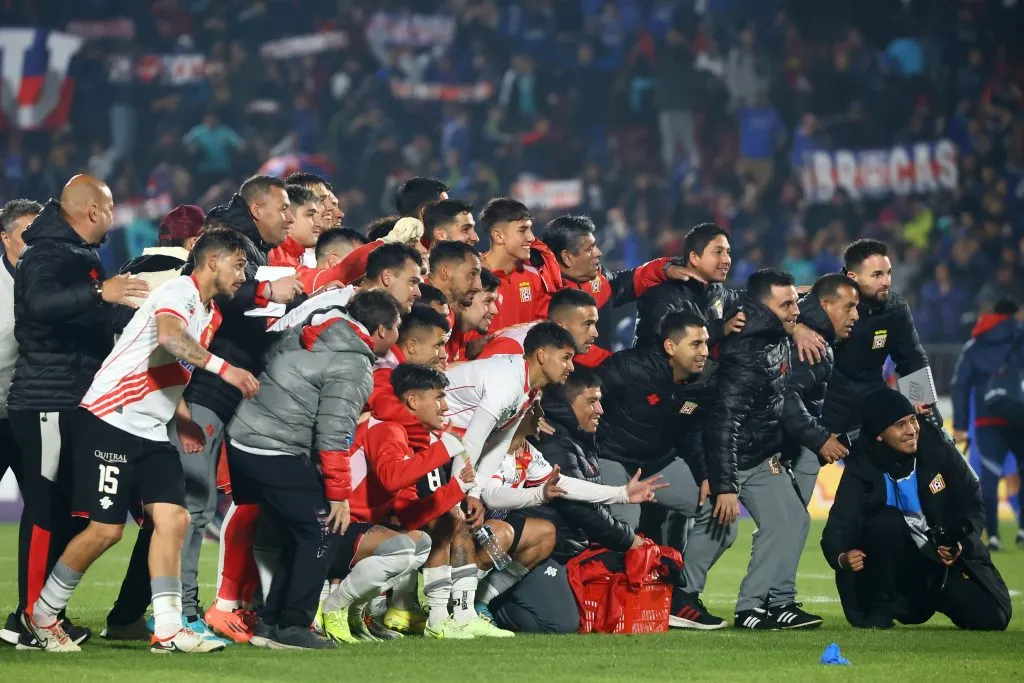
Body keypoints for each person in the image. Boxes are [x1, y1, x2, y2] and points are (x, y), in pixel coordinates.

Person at [22, 229, 260, 653]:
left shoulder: (209, 312)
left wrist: (181, 417)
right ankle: (40, 616)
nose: (244, 274)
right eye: (239, 264)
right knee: (105, 532)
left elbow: (165, 365)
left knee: (174, 519)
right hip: (110, 420)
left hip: (150, 429)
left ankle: (168, 629)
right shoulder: (180, 290)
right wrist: (226, 370)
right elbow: (169, 338)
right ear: (211, 262)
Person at [8, 176, 149, 648]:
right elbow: (41, 305)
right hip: (46, 400)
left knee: (68, 512)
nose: (113, 217)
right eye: (110, 208)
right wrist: (100, 294)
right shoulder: (47, 252)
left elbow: (89, 320)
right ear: (93, 212)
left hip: (72, 399)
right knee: (46, 511)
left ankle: (41, 613)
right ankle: (32, 618)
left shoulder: (75, 255)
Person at [225, 289, 402, 650]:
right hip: (272, 447)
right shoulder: (353, 363)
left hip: (248, 437)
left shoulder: (315, 329)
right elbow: (334, 433)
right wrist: (339, 495)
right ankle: (292, 626)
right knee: (323, 529)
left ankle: (271, 624)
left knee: (300, 532)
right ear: (382, 330)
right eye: (398, 327)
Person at [174, 175, 304, 640]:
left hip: (220, 394)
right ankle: (179, 614)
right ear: (257, 209)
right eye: (284, 208)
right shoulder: (232, 245)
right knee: (191, 506)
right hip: (203, 393)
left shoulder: (250, 248)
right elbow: (213, 293)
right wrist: (270, 294)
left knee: (195, 506)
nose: (288, 217)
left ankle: (165, 611)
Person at [821, 390, 1012, 631]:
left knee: (994, 618)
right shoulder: (862, 465)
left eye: (912, 420)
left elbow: (973, 503)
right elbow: (838, 526)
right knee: (885, 522)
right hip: (895, 567)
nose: (912, 430)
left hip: (943, 561)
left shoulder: (938, 448)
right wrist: (842, 558)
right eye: (900, 425)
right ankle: (881, 607)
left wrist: (962, 543)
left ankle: (940, 594)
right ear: (879, 435)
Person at [595, 310, 729, 629]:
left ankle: (682, 598)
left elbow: (693, 432)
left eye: (706, 343)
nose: (704, 351)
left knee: (720, 513)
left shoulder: (706, 380)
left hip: (659, 463)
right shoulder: (629, 367)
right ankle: (611, 602)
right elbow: (582, 398)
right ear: (670, 346)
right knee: (625, 523)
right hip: (613, 458)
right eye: (695, 344)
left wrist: (706, 475)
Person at [346, 364, 477, 641]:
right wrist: (443, 449)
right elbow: (392, 479)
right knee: (403, 547)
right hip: (329, 526)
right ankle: (336, 609)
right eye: (439, 397)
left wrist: (457, 488)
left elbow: (409, 516)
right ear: (413, 400)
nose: (445, 406)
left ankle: (356, 614)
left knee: (419, 540)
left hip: (350, 526)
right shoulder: (387, 429)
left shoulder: (404, 437)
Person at [704, 268, 801, 630]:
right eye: (787, 304)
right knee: (713, 534)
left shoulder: (775, 331)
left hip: (759, 454)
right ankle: (682, 599)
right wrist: (726, 486)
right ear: (762, 309)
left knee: (787, 521)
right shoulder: (748, 348)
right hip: (730, 457)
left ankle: (754, 607)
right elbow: (724, 421)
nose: (796, 310)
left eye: (796, 301)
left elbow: (817, 302)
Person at [767, 273, 861, 628]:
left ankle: (774, 599)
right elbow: (785, 397)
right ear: (826, 304)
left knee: (790, 521)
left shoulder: (814, 336)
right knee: (789, 521)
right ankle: (775, 601)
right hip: (772, 445)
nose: (855, 315)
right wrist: (819, 438)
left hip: (791, 443)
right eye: (849, 307)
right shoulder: (812, 345)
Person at [822, 239, 932, 438]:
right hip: (823, 408)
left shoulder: (895, 309)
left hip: (871, 402)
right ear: (852, 277)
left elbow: (912, 358)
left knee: (932, 434)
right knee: (800, 468)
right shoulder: (824, 301)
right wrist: (799, 329)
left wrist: (921, 399)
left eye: (888, 273)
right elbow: (782, 314)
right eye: (877, 275)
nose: (887, 281)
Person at [540, 215, 690, 357]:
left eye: (595, 246)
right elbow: (572, 352)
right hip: (573, 381)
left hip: (606, 375)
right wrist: (619, 366)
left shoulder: (596, 278)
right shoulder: (543, 294)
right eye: (589, 249)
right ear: (566, 257)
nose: (598, 253)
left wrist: (662, 269)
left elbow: (624, 283)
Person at [950, 297, 1024, 550]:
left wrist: (960, 424)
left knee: (989, 477)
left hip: (986, 418)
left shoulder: (975, 344)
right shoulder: (1020, 336)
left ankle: (992, 534)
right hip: (1020, 415)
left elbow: (960, 385)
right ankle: (1023, 529)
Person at [0, 199, 40, 645]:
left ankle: (30, 615)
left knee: (51, 514)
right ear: (5, 237)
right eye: (26, 233)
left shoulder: (45, 276)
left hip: (30, 415)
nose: (33, 243)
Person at [269, 242, 423, 331]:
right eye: (412, 282)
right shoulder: (336, 309)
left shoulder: (357, 307)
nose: (418, 293)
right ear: (387, 277)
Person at [633, 223, 741, 349]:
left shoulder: (715, 290)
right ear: (694, 258)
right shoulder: (663, 295)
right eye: (718, 252)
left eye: (728, 252)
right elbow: (674, 347)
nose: (726, 260)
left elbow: (747, 297)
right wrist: (722, 330)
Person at [476, 288, 600, 366]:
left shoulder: (560, 351)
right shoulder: (515, 346)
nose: (595, 333)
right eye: (588, 324)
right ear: (560, 326)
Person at [479, 198, 550, 332]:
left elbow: (542, 329)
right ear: (498, 236)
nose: (531, 238)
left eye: (530, 229)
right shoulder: (473, 278)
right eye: (522, 230)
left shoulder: (534, 276)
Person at [118, 205, 205, 297]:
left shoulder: (130, 276)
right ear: (194, 242)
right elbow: (153, 234)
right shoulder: (189, 278)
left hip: (140, 259)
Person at [446, 268, 499, 363]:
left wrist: (468, 351)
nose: (495, 311)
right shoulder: (435, 328)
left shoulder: (459, 332)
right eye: (487, 301)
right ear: (465, 298)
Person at [267, 184, 324, 269]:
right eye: (310, 215)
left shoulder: (297, 256)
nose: (319, 224)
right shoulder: (271, 256)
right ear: (287, 217)